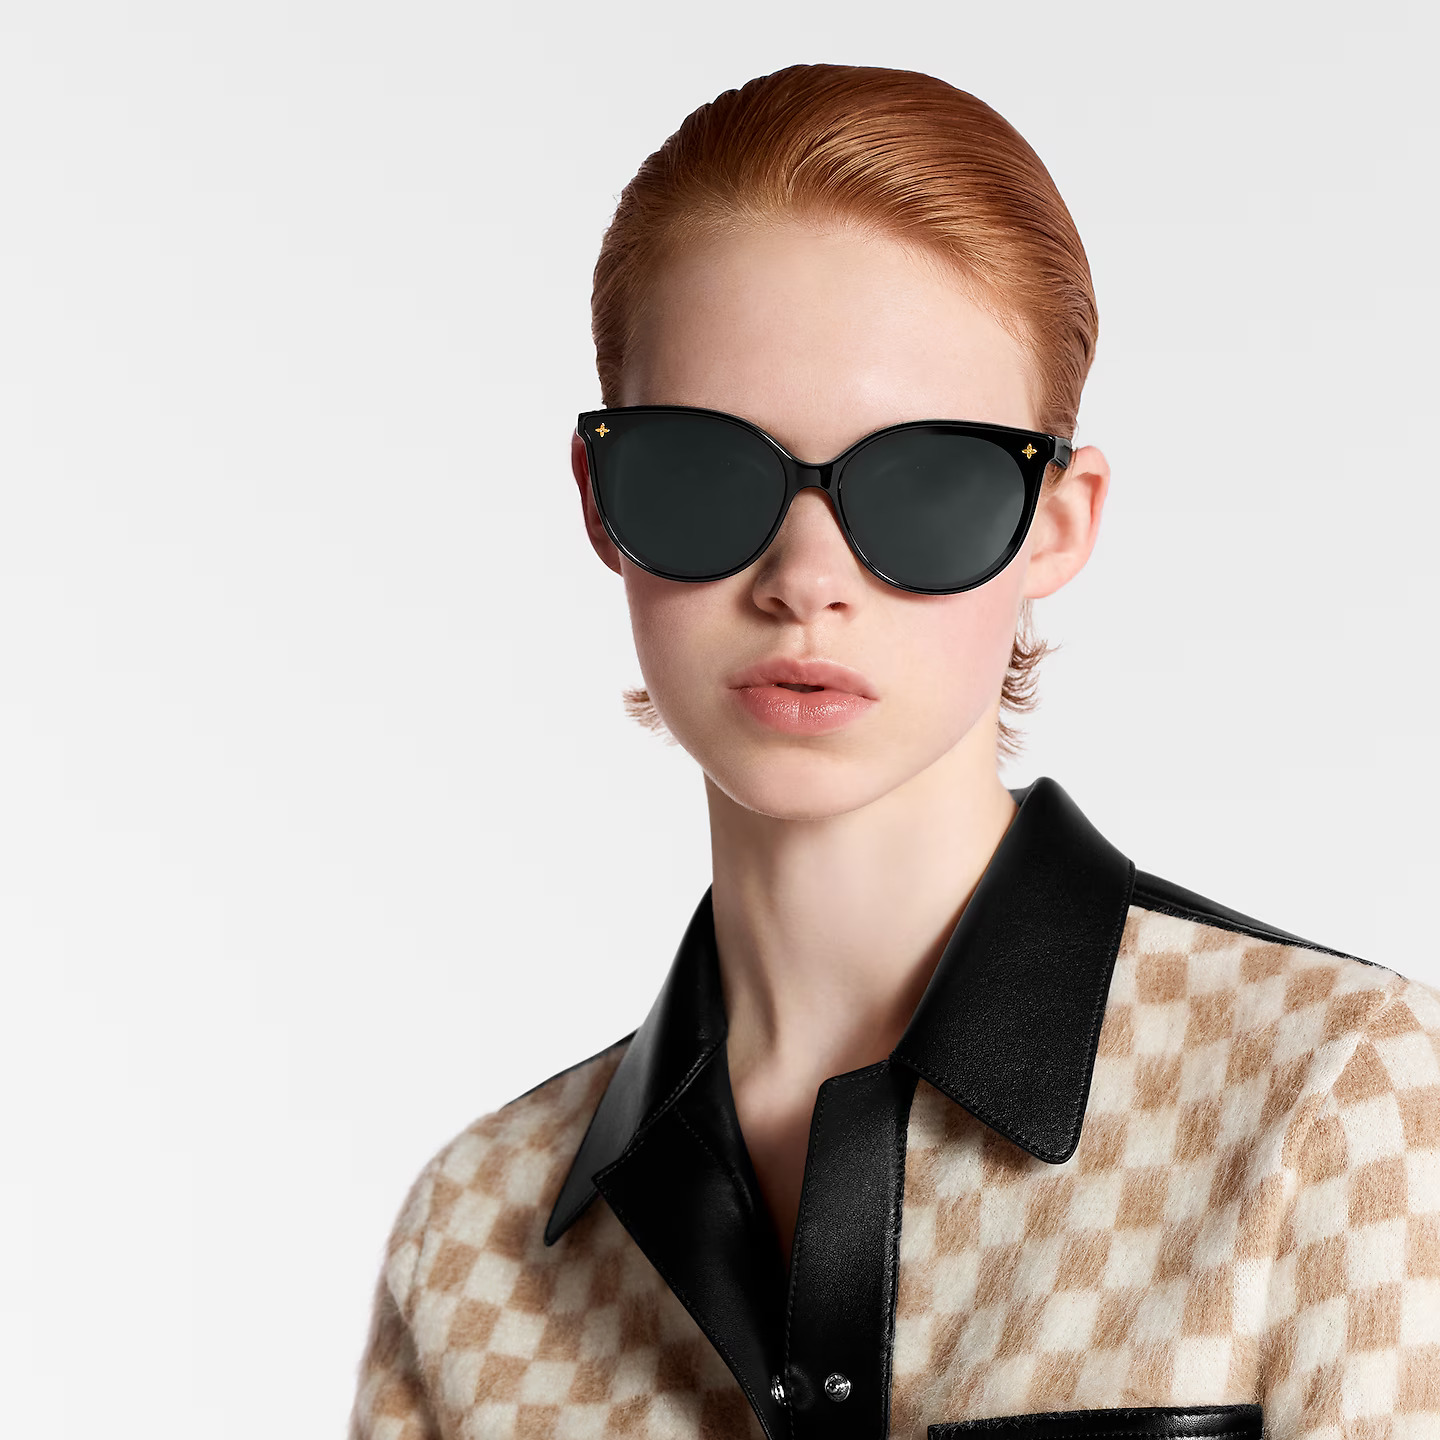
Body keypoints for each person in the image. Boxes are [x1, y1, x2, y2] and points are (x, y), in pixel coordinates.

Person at [349, 64, 1440, 1440]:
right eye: (705, 473)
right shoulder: (475, 1243)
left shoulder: (1336, 1103)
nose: (805, 581)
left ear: (1056, 523)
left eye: (927, 483)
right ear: (601, 500)